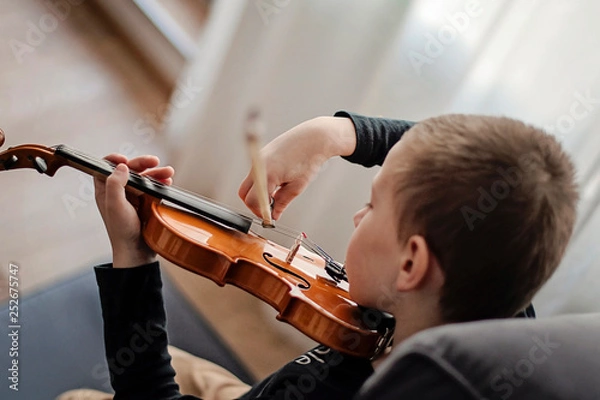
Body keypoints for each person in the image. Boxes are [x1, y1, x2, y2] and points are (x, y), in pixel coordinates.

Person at [58, 111, 578, 400]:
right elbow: (449, 150)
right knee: (180, 363)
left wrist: (134, 258)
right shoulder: (503, 310)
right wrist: (330, 134)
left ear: (411, 265)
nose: (357, 216)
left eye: (371, 205)